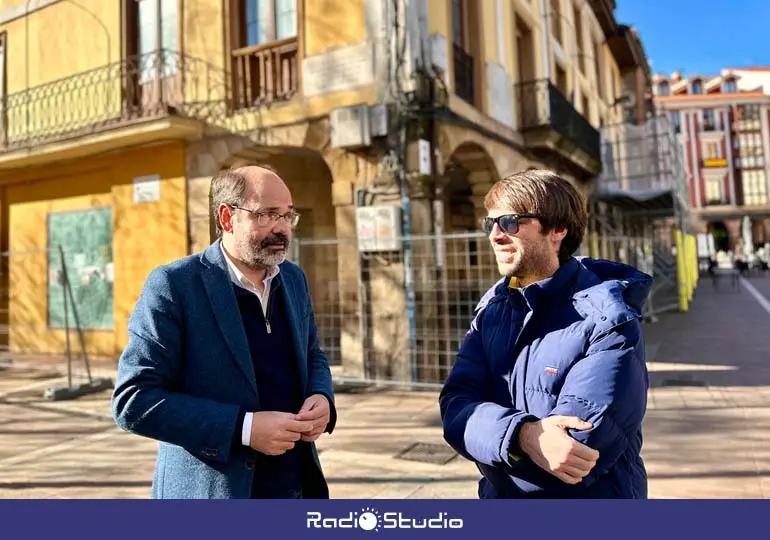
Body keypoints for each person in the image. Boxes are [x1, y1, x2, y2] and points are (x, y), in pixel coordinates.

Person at [112, 165, 336, 499]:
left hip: (295, 488)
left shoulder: (293, 279)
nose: (282, 229)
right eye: (267, 214)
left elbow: (312, 354)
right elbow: (134, 400)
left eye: (288, 216)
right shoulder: (175, 286)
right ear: (227, 218)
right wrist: (243, 429)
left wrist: (322, 397)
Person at [439, 169, 651, 499]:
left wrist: (490, 443)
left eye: (509, 222)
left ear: (557, 230)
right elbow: (455, 412)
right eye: (490, 224)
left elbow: (569, 460)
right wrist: (523, 435)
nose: (495, 235)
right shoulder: (492, 310)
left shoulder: (610, 321)